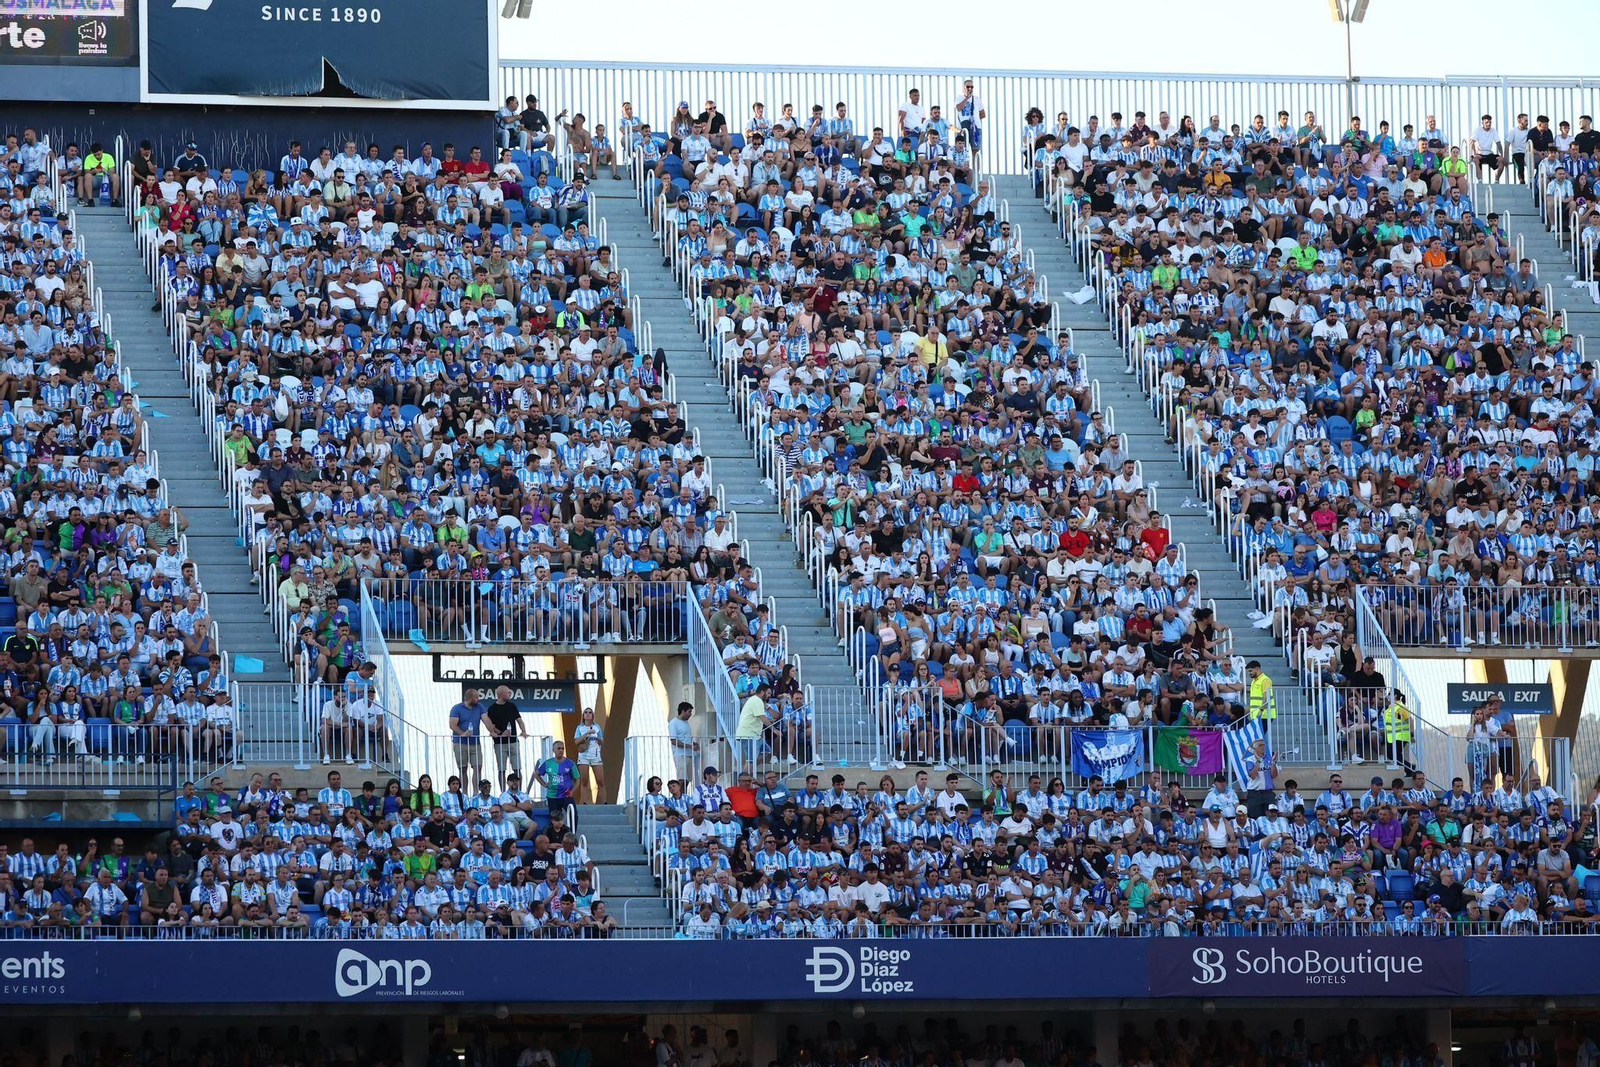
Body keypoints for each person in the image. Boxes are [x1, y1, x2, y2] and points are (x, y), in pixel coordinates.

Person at [486, 686, 527, 787]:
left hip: (513, 741)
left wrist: (524, 731)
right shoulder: (492, 709)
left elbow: (519, 720)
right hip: (499, 743)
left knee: (517, 767)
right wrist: (501, 733)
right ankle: (503, 792)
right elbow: (491, 726)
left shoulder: (512, 706)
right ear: (501, 694)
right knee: (501, 769)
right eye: (508, 693)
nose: (510, 694)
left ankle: (519, 790)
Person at [449, 688, 488, 786]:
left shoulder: (480, 707)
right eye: (476, 697)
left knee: (478, 767)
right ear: (469, 698)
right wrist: (463, 734)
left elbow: (486, 720)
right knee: (463, 768)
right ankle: (464, 793)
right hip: (460, 743)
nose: (478, 699)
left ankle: (475, 792)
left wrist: (493, 731)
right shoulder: (457, 708)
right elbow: (452, 725)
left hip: (475, 743)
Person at [734, 682, 774, 774]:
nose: (769, 696)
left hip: (755, 736)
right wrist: (774, 730)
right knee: (750, 760)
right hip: (748, 735)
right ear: (762, 692)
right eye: (768, 693)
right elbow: (762, 717)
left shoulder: (757, 701)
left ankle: (750, 771)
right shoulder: (756, 700)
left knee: (766, 751)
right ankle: (745, 777)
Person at [574, 706, 606, 804]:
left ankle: (603, 802)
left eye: (590, 712)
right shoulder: (580, 728)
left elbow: (602, 741)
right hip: (584, 756)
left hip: (596, 756)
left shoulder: (597, 727)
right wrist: (586, 734)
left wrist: (597, 738)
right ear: (583, 716)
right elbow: (576, 741)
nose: (588, 714)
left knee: (600, 780)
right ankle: (584, 801)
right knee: (584, 781)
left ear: (592, 715)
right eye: (586, 712)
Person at [668, 701, 701, 784]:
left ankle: (684, 796)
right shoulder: (673, 723)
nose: (690, 714)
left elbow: (685, 738)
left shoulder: (686, 723)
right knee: (682, 779)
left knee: (687, 780)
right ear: (683, 711)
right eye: (689, 711)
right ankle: (680, 796)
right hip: (680, 755)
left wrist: (694, 744)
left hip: (689, 754)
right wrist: (690, 746)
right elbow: (673, 741)